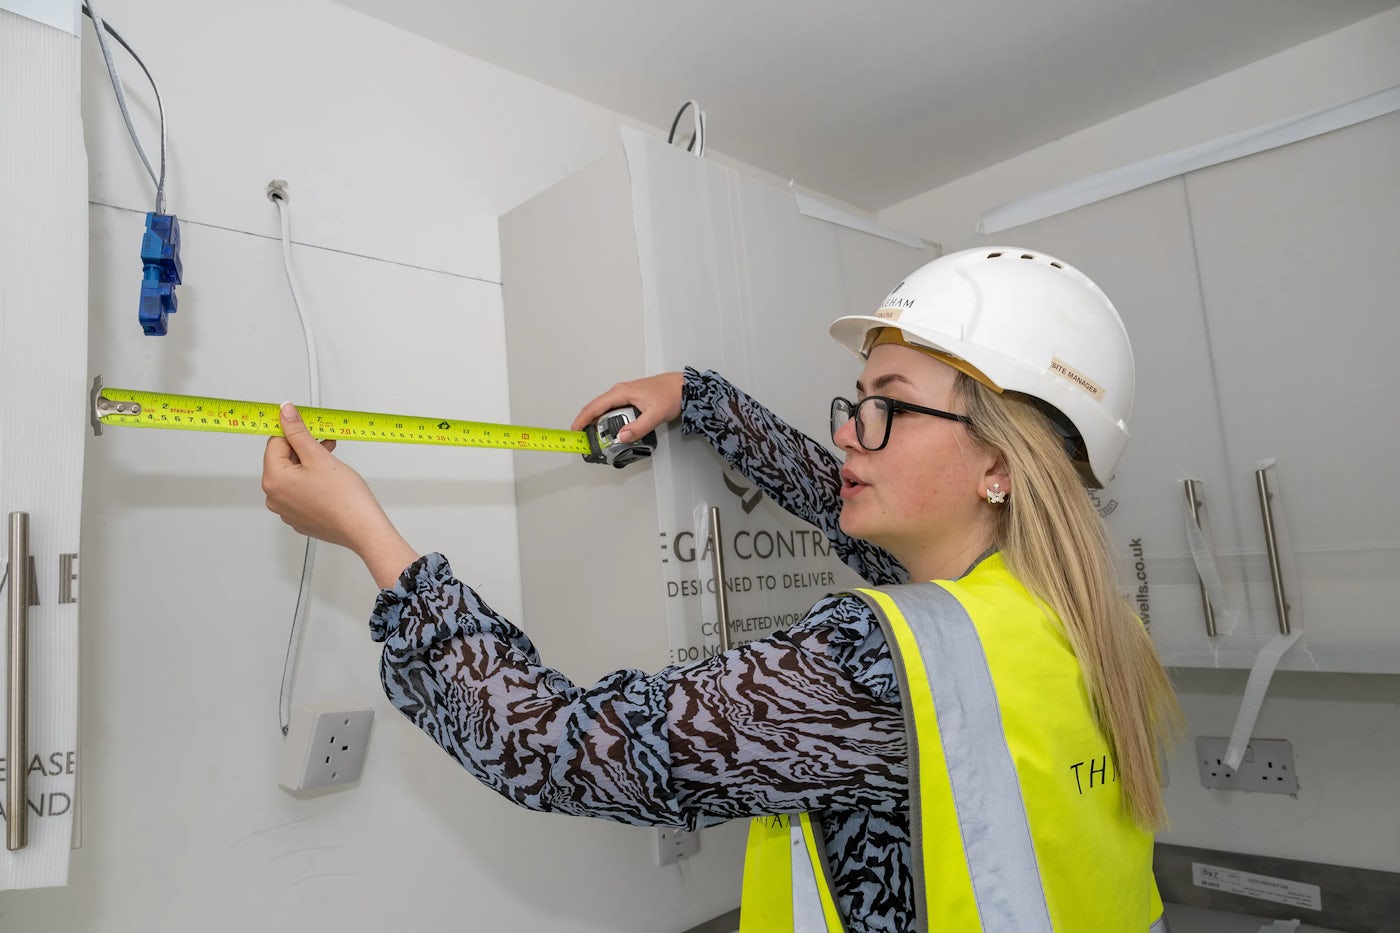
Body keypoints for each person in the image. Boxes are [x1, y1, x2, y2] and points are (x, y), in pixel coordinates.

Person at [262, 246, 1183, 933]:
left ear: (999, 461)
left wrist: (363, 531)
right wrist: (695, 396)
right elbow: (839, 497)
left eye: (886, 406)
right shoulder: (1083, 624)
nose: (851, 434)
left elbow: (560, 748)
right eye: (854, 400)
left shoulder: (877, 667)